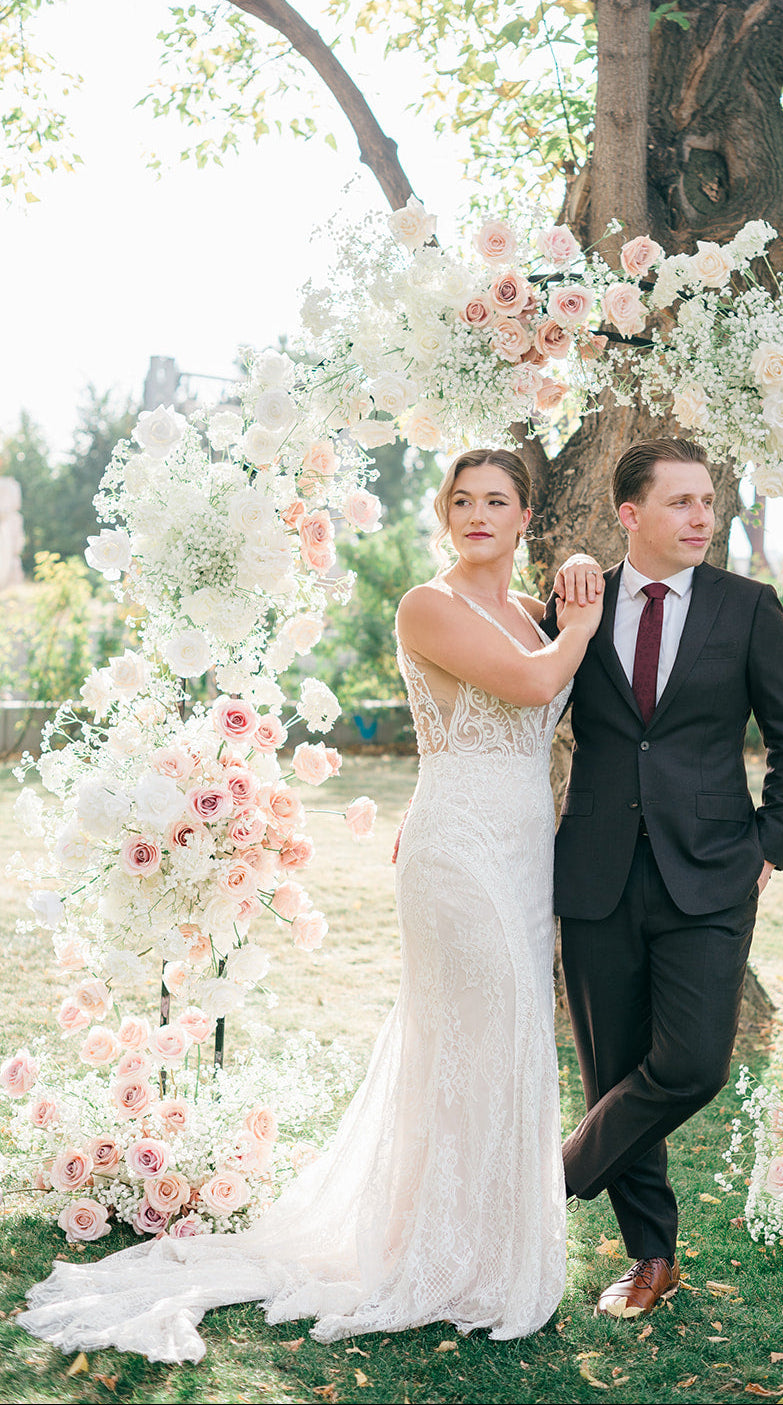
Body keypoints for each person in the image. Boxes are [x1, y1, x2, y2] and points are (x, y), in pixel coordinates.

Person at [18, 447, 603, 1362]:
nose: (478, 513)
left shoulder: (533, 612)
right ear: (444, 515)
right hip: (458, 852)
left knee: (505, 1034)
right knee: (475, 1032)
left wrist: (565, 600)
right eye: (462, 499)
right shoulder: (429, 605)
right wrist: (585, 618)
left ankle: (481, 1245)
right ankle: (435, 1255)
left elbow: (554, 684)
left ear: (528, 517)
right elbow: (535, 685)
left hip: (527, 852)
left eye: (498, 500)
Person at [545, 437, 783, 1319]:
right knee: (613, 1066)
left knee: (693, 1064)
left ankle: (557, 1172)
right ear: (632, 515)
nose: (703, 517)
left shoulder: (747, 608)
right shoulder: (577, 606)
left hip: (710, 874)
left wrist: (768, 847)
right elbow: (516, 707)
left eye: (709, 502)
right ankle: (650, 1255)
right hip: (596, 871)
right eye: (682, 503)